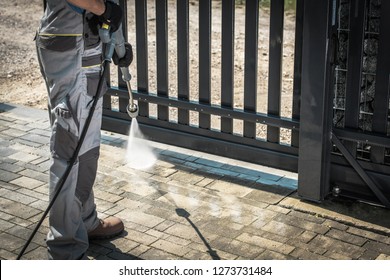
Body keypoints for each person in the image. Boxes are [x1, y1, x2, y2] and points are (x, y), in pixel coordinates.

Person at [36, 0, 133, 260]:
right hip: (73, 47)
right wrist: (105, 10)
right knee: (69, 150)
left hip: (79, 45)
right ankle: (65, 246)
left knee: (85, 147)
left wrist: (112, 32)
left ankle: (85, 220)